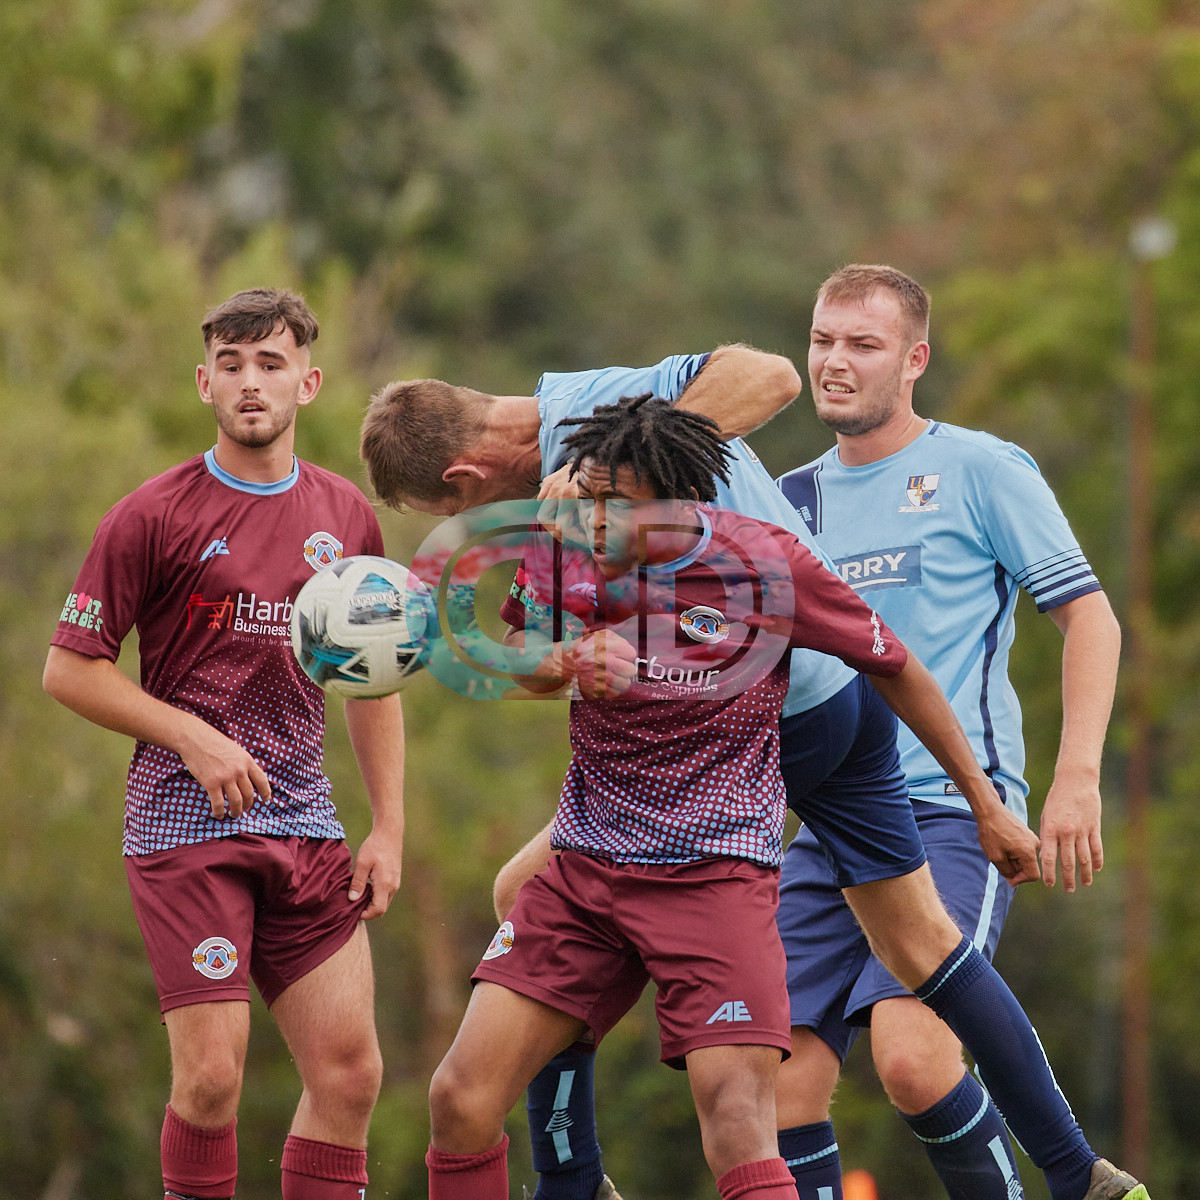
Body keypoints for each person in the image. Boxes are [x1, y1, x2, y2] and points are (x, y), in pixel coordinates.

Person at [359, 353, 1144, 1200]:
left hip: (774, 732)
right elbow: (519, 655)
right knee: (918, 945)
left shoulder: (707, 533)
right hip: (814, 718)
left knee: (750, 1059)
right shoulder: (566, 524)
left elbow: (770, 377)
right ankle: (1076, 1171)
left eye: (616, 498)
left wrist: (987, 804)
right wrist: (563, 660)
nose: (588, 515)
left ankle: (572, 1176)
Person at [43, 288, 405, 1200]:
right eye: (232, 365)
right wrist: (191, 736)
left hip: (305, 822)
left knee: (351, 1075)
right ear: (204, 383)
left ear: (307, 384)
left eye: (271, 364)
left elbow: (371, 678)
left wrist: (389, 826)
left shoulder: (347, 516)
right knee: (210, 1080)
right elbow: (70, 670)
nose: (251, 383)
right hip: (184, 826)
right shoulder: (150, 515)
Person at [772, 263, 1124, 1200]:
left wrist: (1076, 778)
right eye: (822, 340)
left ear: (915, 360)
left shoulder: (981, 469)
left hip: (950, 814)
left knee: (913, 1060)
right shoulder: (786, 501)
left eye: (864, 344)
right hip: (829, 823)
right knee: (776, 1088)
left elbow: (1091, 620)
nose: (834, 362)